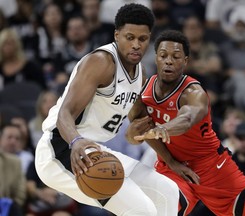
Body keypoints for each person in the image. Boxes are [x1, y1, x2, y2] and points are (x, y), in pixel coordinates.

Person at [35, 4, 179, 216]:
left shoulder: (140, 73)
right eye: (130, 37)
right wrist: (75, 142)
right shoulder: (101, 62)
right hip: (60, 150)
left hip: (94, 150)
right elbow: (65, 113)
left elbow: (139, 124)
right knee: (142, 209)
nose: (136, 45)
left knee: (167, 191)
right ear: (117, 35)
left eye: (143, 39)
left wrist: (172, 161)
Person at [127, 30, 245, 215]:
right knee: (160, 206)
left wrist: (163, 128)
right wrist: (169, 160)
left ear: (185, 61)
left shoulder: (194, 93)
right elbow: (134, 134)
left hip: (210, 164)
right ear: (156, 58)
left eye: (176, 56)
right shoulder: (143, 92)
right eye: (163, 55)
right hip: (171, 165)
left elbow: (186, 119)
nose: (168, 61)